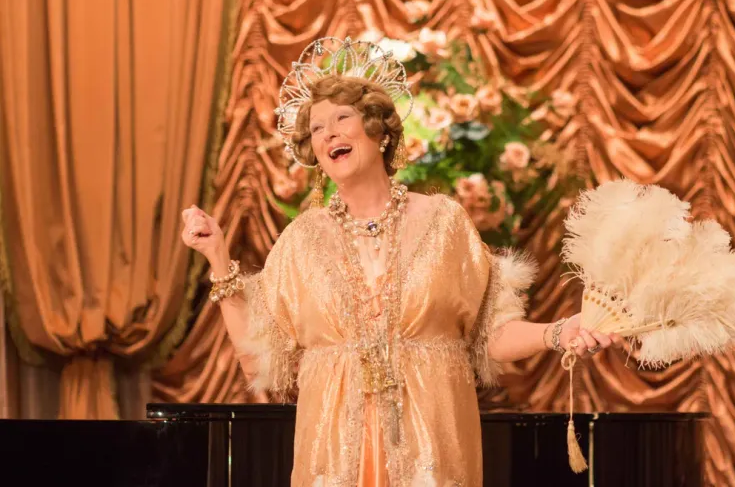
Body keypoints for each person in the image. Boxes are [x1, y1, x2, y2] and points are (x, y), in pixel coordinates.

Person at [181, 37, 622, 487]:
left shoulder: (444, 222)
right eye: (316, 129)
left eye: (342, 118)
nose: (328, 133)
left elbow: (490, 334)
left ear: (381, 131)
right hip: (333, 459)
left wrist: (558, 332)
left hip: (434, 451)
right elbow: (258, 361)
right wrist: (217, 257)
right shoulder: (301, 240)